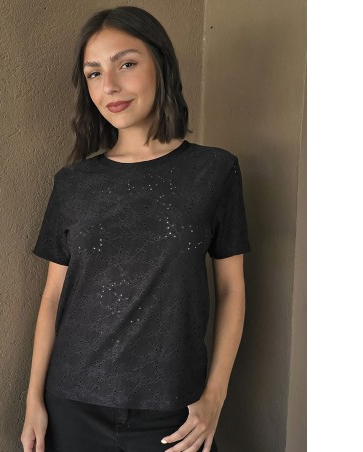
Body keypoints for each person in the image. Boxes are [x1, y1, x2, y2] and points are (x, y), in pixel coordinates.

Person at [21, 6, 251, 452]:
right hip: (72, 405)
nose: (109, 85)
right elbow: (52, 298)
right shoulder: (73, 182)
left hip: (174, 412)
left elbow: (231, 290)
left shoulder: (215, 171)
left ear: (161, 65)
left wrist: (215, 397)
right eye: (93, 73)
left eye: (126, 64)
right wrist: (33, 400)